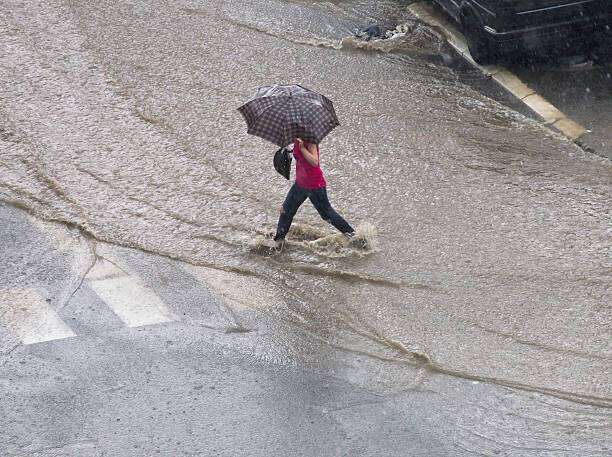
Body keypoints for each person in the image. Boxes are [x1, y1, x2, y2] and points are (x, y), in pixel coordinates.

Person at [273, 137, 354, 248]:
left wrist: (302, 149)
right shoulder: (297, 137)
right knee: (286, 211)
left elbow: (314, 162)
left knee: (326, 214)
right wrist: (287, 149)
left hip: (314, 185)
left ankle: (353, 236)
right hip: (300, 184)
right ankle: (279, 242)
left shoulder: (310, 139)